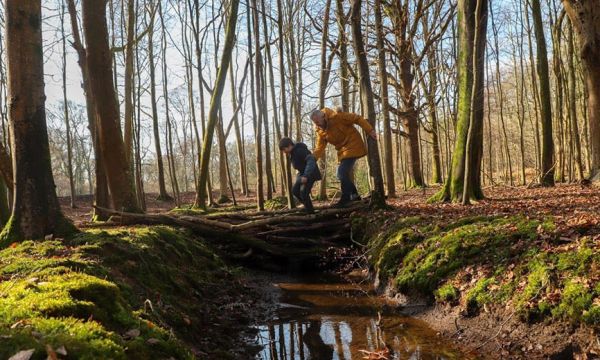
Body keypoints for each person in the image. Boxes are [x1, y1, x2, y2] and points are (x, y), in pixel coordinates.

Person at [311, 108, 377, 208]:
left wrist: (370, 130)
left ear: (324, 116)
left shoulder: (337, 116)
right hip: (342, 151)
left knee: (341, 173)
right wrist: (312, 159)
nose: (317, 124)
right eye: (315, 122)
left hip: (353, 144)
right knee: (341, 174)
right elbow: (319, 148)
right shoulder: (320, 131)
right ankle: (354, 195)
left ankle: (346, 198)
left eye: (318, 121)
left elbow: (357, 118)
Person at [279, 137, 322, 214]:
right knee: (295, 191)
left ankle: (311, 213)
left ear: (289, 145)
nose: (283, 152)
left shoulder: (300, 150)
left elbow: (311, 161)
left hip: (311, 173)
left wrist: (306, 175)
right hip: (302, 173)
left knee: (303, 193)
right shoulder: (291, 153)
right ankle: (308, 207)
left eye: (283, 149)